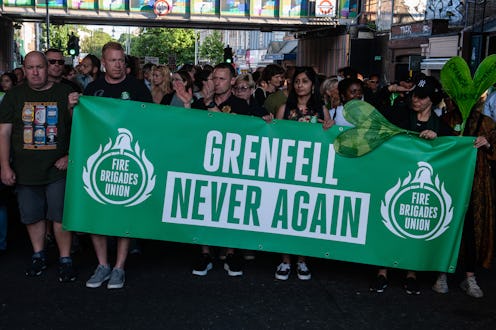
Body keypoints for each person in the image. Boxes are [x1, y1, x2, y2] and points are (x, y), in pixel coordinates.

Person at [79, 41, 152, 289]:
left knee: (124, 212)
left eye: (121, 60)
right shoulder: (93, 89)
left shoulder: (138, 88)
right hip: (99, 159)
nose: (118, 65)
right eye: (113, 60)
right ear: (104, 62)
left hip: (128, 161)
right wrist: (71, 108)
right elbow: (81, 124)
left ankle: (119, 267)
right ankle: (102, 265)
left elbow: (152, 121)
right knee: (96, 213)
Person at [370, 76, 452, 295]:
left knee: (413, 225)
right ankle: (382, 271)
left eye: (422, 97)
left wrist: (438, 140)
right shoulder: (399, 114)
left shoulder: (441, 127)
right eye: (415, 94)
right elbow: (373, 106)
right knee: (385, 222)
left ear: (432, 101)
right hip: (393, 180)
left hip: (418, 187)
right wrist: (390, 88)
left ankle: (411, 273)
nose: (416, 99)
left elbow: (454, 148)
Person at [0, 51, 76, 282]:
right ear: (24, 69)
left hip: (57, 168)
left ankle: (65, 259)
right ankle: (38, 254)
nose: (35, 72)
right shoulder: (13, 96)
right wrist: (4, 166)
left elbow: (81, 128)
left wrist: (70, 155)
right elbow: (4, 132)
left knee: (60, 215)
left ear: (48, 69)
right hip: (25, 170)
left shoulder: (65, 93)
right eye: (30, 67)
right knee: (32, 216)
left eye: (40, 67)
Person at [190, 63, 270, 277]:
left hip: (232, 167)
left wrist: (266, 119)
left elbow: (232, 126)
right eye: (214, 78)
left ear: (233, 81)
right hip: (205, 165)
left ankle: (230, 252)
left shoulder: (242, 105)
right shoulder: (199, 104)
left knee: (231, 207)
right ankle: (205, 253)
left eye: (222, 79)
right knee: (204, 207)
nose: (217, 82)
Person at [432, 94, 496, 298]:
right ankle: (441, 274)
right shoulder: (446, 120)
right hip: (449, 181)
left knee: (471, 229)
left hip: (477, 183)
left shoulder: (487, 123)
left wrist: (487, 145)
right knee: (446, 223)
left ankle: (469, 277)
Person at [274, 66, 332, 280]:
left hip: (310, 170)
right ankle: (285, 260)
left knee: (305, 214)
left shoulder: (321, 109)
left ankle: (302, 260)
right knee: (285, 213)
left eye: (304, 81)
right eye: (296, 81)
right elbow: (274, 136)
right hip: (288, 168)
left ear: (312, 85)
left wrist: (329, 128)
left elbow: (329, 138)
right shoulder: (284, 108)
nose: (300, 85)